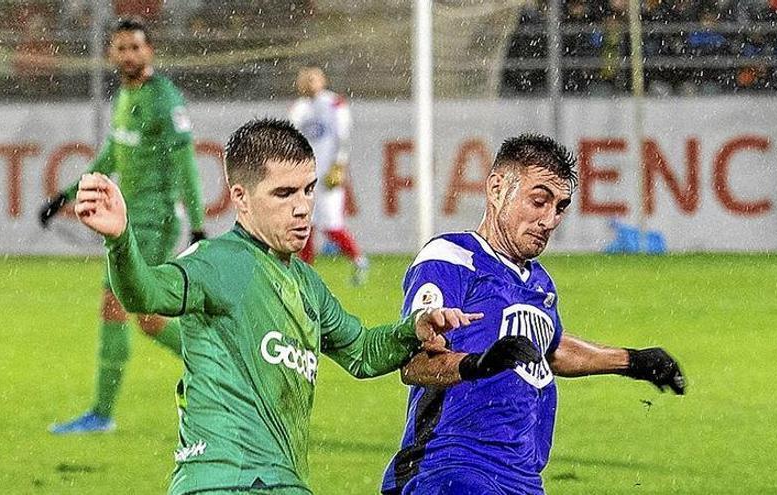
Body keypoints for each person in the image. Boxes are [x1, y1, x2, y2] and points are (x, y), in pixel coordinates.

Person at [72, 118, 540, 495]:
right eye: (283, 193)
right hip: (219, 479)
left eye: (308, 189)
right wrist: (120, 240)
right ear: (241, 199)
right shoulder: (217, 262)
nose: (303, 208)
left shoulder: (305, 284)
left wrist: (415, 328)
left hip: (283, 482)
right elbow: (145, 294)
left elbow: (360, 351)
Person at [380, 134, 686, 495]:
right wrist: (478, 364)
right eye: (539, 201)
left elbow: (552, 350)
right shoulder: (451, 258)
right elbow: (414, 364)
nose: (550, 219)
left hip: (522, 480)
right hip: (451, 469)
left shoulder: (539, 284)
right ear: (497, 189)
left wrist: (631, 361)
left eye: (559, 207)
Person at [42, 19, 206, 435]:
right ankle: (212, 366)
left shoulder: (164, 98)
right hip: (130, 220)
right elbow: (109, 157)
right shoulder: (125, 97)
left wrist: (199, 226)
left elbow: (186, 161)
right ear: (111, 54)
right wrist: (65, 195)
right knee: (145, 317)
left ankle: (102, 413)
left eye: (135, 46)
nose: (128, 54)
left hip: (155, 219)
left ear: (150, 51)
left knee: (123, 308)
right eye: (121, 47)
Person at [288, 67, 369, 285]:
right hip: (305, 176)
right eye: (304, 79)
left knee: (331, 224)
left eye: (312, 79)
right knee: (306, 223)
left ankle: (359, 260)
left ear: (322, 81)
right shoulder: (299, 108)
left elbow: (343, 137)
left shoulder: (334, 103)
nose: (308, 83)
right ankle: (305, 273)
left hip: (328, 175)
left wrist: (339, 165)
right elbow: (292, 138)